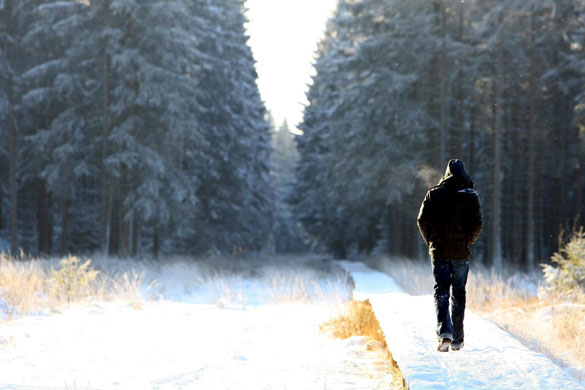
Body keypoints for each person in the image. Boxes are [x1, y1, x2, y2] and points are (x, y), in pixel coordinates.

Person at [417, 159, 482, 352]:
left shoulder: (434, 194)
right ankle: (458, 339)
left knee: (442, 291)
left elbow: (422, 220)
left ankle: (445, 334)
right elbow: (478, 224)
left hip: (439, 252)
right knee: (459, 294)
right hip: (461, 253)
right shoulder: (471, 197)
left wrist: (431, 241)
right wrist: (468, 240)